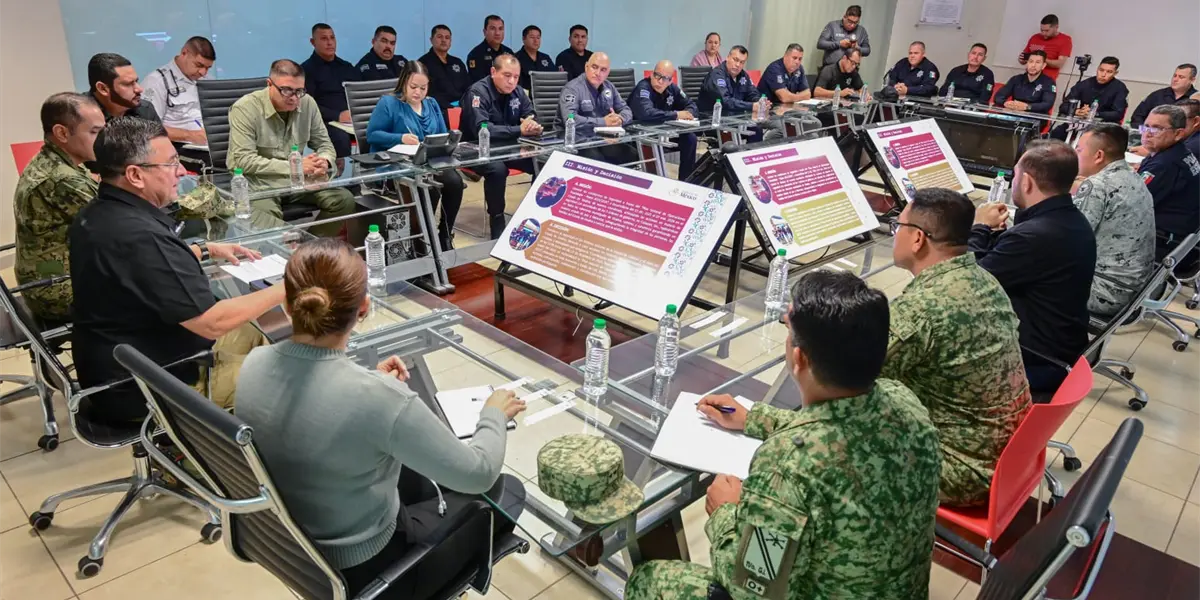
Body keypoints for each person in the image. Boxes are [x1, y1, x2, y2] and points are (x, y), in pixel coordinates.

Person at [235, 237, 527, 599]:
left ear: (286, 304)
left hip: (293, 550)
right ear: (364, 308)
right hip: (370, 571)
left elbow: (312, 408)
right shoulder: (378, 398)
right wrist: (493, 413)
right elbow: (479, 473)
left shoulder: (253, 364)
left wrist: (372, 385)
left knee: (420, 478)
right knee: (507, 491)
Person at [624, 271, 941, 600]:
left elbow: (751, 587)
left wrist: (724, 512)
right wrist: (754, 418)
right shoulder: (905, 402)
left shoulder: (788, 466)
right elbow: (839, 424)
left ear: (799, 357)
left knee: (649, 579)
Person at [69, 117, 279, 426]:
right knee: (283, 379)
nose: (181, 172)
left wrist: (204, 249)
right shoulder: (139, 235)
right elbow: (212, 323)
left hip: (121, 361)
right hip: (147, 388)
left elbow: (138, 268)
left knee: (253, 330)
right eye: (170, 164)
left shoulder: (100, 213)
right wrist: (291, 284)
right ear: (135, 175)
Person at [884, 188, 1030, 507]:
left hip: (962, 469)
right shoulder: (984, 280)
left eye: (899, 226)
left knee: (834, 438)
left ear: (918, 238)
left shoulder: (922, 309)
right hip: (1008, 454)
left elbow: (846, 379)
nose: (895, 234)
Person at [970, 140, 1096, 394]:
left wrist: (979, 228)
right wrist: (998, 237)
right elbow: (1020, 264)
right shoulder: (1070, 219)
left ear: (1026, 182)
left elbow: (966, 283)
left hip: (1034, 360)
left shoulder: (1033, 235)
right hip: (1060, 346)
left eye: (1015, 175)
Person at [227, 59, 357, 237]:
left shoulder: (307, 103)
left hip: (298, 182)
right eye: (287, 90)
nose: (294, 97)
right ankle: (285, 250)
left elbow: (324, 144)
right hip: (260, 184)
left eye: (299, 91)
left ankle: (309, 247)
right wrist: (296, 166)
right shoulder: (245, 108)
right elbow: (244, 160)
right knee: (270, 226)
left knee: (344, 200)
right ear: (269, 84)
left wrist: (324, 161)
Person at [13, 93, 104, 323]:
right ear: (62, 133)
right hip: (58, 289)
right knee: (150, 285)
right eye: (95, 132)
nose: (104, 140)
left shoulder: (54, 160)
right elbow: (118, 223)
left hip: (47, 277)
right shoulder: (62, 178)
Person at [367, 61, 464, 251]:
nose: (418, 92)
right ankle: (423, 240)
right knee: (430, 187)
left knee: (455, 182)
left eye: (423, 88)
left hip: (429, 162)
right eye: (413, 87)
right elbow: (372, 135)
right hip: (398, 164)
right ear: (403, 82)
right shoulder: (389, 103)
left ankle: (444, 235)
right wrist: (400, 137)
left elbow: (443, 134)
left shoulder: (431, 104)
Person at [1071, 123, 1156, 316]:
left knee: (1025, 274)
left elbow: (1070, 240)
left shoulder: (1098, 185)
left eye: (1079, 150)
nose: (1075, 154)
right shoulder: (1131, 175)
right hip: (1132, 287)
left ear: (1099, 156)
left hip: (1105, 290)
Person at [460, 54, 542, 239]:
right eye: (507, 75)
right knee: (498, 170)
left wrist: (532, 124)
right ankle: (497, 220)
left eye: (516, 76)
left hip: (508, 148)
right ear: (493, 72)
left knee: (542, 162)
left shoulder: (518, 91)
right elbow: (482, 129)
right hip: (475, 150)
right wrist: (519, 130)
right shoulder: (477, 93)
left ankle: (533, 213)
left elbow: (530, 113)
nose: (512, 81)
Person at [1138, 105, 1200, 261]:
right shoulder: (1177, 152)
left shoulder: (1165, 164)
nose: (1147, 133)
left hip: (1162, 242)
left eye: (1157, 129)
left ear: (1178, 133)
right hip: (1177, 236)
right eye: (1146, 126)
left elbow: (1130, 203)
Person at [558, 52, 638, 166]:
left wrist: (620, 119)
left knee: (632, 155)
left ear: (608, 72)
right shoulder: (572, 89)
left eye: (603, 70)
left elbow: (626, 110)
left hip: (600, 138)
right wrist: (604, 122)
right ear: (586, 66)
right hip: (576, 139)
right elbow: (570, 118)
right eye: (594, 67)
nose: (598, 73)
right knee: (596, 160)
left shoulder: (609, 87)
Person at [629, 60, 699, 180]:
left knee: (690, 138)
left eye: (665, 78)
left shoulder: (673, 88)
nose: (660, 81)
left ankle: (686, 181)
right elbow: (646, 113)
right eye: (657, 76)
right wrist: (676, 115)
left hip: (664, 133)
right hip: (642, 134)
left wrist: (688, 114)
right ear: (652, 74)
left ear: (670, 80)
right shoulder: (643, 88)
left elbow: (692, 105)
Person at [142, 36, 214, 147]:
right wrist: (190, 135)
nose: (203, 72)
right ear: (184, 53)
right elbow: (147, 127)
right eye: (199, 65)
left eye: (208, 68)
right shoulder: (157, 81)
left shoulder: (207, 79)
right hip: (178, 147)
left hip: (210, 145)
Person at [302, 23, 360, 159]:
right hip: (325, 122)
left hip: (352, 120)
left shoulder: (346, 67)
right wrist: (337, 115)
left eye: (332, 38)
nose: (330, 43)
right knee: (341, 138)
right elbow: (307, 105)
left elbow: (359, 95)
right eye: (324, 39)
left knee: (376, 132)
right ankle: (341, 171)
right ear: (313, 42)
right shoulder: (306, 70)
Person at [1050, 56, 1128, 141]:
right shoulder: (1084, 84)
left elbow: (1118, 114)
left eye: (1109, 72)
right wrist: (1077, 111)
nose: (1103, 75)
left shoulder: (1120, 88)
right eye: (1101, 70)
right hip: (1081, 121)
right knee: (1056, 133)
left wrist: (1094, 113)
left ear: (1115, 73)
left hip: (1104, 125)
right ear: (1097, 69)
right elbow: (1063, 106)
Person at [419, 25, 471, 125]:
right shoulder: (423, 64)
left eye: (447, 38)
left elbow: (468, 87)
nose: (444, 40)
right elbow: (427, 93)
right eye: (440, 37)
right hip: (439, 110)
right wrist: (450, 107)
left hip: (462, 108)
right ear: (431, 40)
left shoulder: (457, 62)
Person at [86, 53, 160, 123]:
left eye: (136, 81)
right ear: (103, 89)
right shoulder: (82, 117)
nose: (139, 89)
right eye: (128, 84)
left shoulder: (145, 110)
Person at [1131, 65, 1198, 128]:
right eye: (1175, 76)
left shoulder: (1196, 99)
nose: (1175, 79)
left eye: (1181, 77)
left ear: (1192, 80)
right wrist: (1144, 130)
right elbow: (1137, 116)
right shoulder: (1158, 95)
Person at [698, 46, 761, 113]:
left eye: (742, 62)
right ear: (727, 57)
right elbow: (725, 101)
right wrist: (751, 106)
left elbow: (752, 93)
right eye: (735, 60)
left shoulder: (743, 75)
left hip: (734, 116)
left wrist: (759, 102)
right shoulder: (716, 75)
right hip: (711, 116)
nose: (738, 65)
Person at [992, 50, 1056, 115]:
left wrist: (1027, 107)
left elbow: (1047, 104)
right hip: (1013, 114)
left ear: (1043, 65)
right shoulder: (1016, 79)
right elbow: (998, 96)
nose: (1033, 65)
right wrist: (1005, 103)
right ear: (1027, 63)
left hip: (1033, 117)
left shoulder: (1049, 82)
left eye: (1038, 62)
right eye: (1031, 61)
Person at [1018, 14, 1072, 83]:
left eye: (1047, 31)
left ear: (1056, 27)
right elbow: (1023, 59)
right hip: (1028, 78)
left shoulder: (1065, 40)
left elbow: (1059, 63)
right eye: (1042, 30)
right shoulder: (1035, 37)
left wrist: (1040, 59)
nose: (1043, 33)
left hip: (1046, 81)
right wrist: (1021, 59)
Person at [467, 15, 513, 82]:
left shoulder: (509, 53)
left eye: (500, 29)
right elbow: (479, 83)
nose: (497, 33)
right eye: (492, 28)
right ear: (485, 32)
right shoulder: (475, 55)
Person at [516, 25, 555, 91]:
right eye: (532, 37)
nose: (535, 40)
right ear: (523, 39)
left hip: (546, 94)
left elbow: (555, 77)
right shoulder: (516, 58)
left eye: (538, 38)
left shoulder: (545, 58)